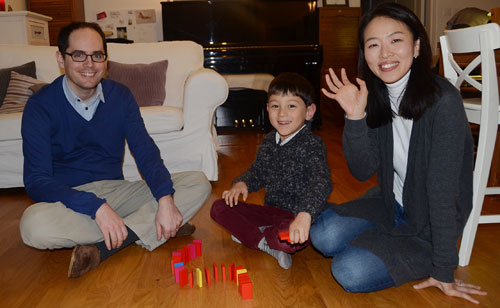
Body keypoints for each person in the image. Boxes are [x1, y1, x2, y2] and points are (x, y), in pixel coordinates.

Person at [311, 3, 487, 304]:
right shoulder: (377, 95)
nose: (384, 54)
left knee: (349, 270)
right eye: (373, 45)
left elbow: (444, 194)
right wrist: (355, 116)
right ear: (364, 54)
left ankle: (397, 246)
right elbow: (363, 170)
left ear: (416, 46)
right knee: (323, 235)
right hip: (390, 204)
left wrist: (444, 268)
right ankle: (382, 238)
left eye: (396, 40)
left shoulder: (443, 102)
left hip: (429, 224)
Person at [19, 22, 211, 278]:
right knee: (33, 226)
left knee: (198, 182)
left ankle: (111, 244)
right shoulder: (40, 106)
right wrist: (96, 208)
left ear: (106, 60)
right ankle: (154, 224)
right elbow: (36, 181)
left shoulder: (120, 96)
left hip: (116, 192)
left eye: (97, 55)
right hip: (69, 198)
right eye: (78, 55)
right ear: (60, 59)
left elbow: (145, 150)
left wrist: (165, 199)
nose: (90, 64)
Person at [210, 72, 332, 269]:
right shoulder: (268, 141)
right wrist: (242, 183)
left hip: (295, 217)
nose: (282, 114)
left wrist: (305, 215)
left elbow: (321, 182)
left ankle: (254, 235)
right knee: (218, 207)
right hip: (270, 213)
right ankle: (264, 241)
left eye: (291, 106)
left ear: (309, 112)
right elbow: (258, 172)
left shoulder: (313, 145)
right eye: (275, 106)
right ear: (267, 108)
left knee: (293, 239)